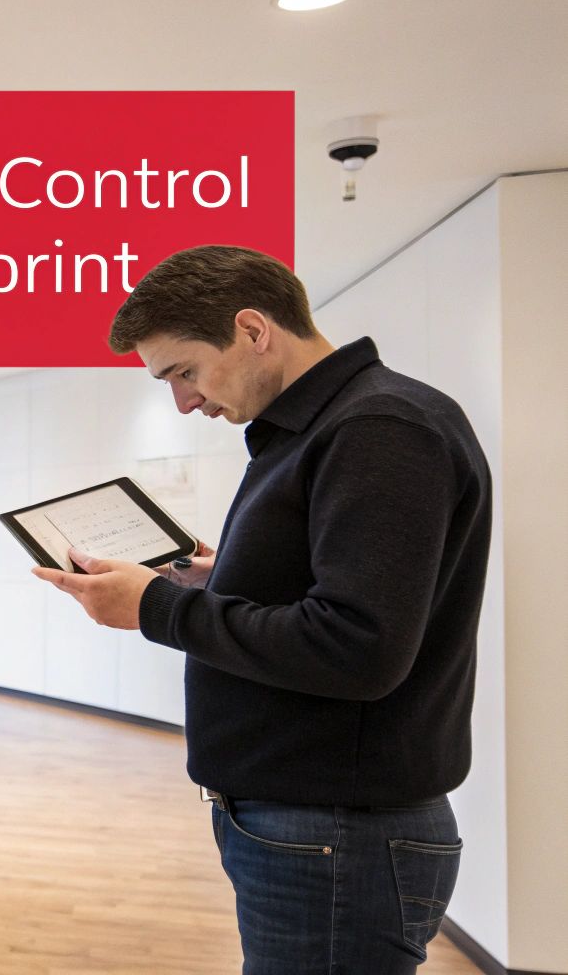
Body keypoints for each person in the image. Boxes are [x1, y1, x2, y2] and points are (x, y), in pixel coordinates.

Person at [31, 245, 490, 973]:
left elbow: (357, 645)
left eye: (184, 371)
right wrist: (218, 577)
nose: (183, 401)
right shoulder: (333, 427)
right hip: (318, 825)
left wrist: (155, 608)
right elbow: (336, 592)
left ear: (251, 329)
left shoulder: (378, 428)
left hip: (337, 830)